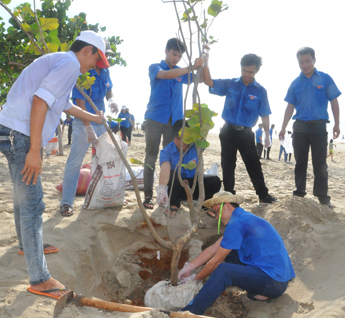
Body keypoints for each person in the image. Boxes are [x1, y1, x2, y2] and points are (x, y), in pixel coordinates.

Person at [0, 30, 107, 298]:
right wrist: (35, 150)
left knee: (22, 196)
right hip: (21, 135)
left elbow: (65, 105)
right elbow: (40, 101)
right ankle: (39, 278)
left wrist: (93, 118)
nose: (95, 65)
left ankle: (27, 245)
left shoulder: (62, 61)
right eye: (96, 59)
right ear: (87, 51)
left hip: (10, 129)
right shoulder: (70, 64)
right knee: (33, 204)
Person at [179, 192, 295, 315]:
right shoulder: (242, 218)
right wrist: (190, 267)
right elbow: (214, 248)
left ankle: (190, 312)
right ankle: (260, 294)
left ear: (227, 206)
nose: (217, 217)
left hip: (273, 281)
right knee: (229, 252)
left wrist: (195, 279)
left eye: (217, 212)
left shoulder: (236, 223)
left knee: (224, 271)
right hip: (279, 280)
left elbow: (216, 261)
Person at [203, 47, 277, 204]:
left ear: (256, 71)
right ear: (240, 67)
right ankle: (230, 195)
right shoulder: (231, 84)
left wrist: (267, 136)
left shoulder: (260, 91)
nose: (247, 75)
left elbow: (265, 114)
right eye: (244, 70)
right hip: (228, 130)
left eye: (251, 72)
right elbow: (209, 82)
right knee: (228, 164)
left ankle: (263, 195)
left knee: (253, 164)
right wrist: (206, 62)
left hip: (246, 133)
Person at [143, 38, 204, 210]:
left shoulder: (181, 71)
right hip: (155, 118)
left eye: (179, 56)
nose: (175, 58)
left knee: (172, 158)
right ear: (166, 51)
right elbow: (167, 75)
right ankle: (148, 196)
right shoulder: (155, 67)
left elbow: (199, 79)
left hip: (174, 122)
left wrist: (203, 60)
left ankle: (170, 195)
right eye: (173, 54)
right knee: (151, 156)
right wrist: (191, 66)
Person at [59, 39, 118, 217]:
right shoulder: (85, 69)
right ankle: (66, 203)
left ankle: (106, 198)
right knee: (75, 163)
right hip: (83, 122)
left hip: (101, 121)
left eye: (108, 55)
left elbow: (109, 90)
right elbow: (79, 101)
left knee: (107, 161)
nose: (106, 57)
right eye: (104, 54)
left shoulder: (105, 70)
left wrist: (112, 100)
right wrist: (87, 127)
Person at [279, 47, 341, 208]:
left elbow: (334, 101)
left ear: (314, 60)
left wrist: (337, 123)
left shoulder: (325, 79)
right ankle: (299, 193)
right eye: (301, 62)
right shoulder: (295, 83)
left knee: (320, 163)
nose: (304, 65)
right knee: (300, 162)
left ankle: (323, 198)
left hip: (319, 127)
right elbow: (290, 106)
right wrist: (283, 127)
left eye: (308, 61)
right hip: (299, 128)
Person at [156, 120, 221, 218]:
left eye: (185, 138)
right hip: (175, 186)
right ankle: (174, 204)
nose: (181, 142)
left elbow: (203, 134)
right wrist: (161, 190)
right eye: (177, 138)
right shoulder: (166, 151)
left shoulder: (196, 146)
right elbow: (165, 171)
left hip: (192, 184)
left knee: (215, 181)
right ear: (173, 137)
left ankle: (205, 204)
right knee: (173, 175)